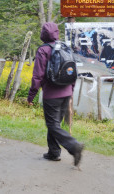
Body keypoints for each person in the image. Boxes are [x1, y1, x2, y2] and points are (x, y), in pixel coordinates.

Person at [27, 22, 84, 166]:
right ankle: (53, 152)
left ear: (43, 34)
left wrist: (31, 96)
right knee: (55, 123)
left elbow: (37, 76)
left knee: (52, 125)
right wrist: (71, 88)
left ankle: (74, 146)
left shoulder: (43, 50)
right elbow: (73, 70)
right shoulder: (64, 47)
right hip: (66, 92)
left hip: (51, 95)